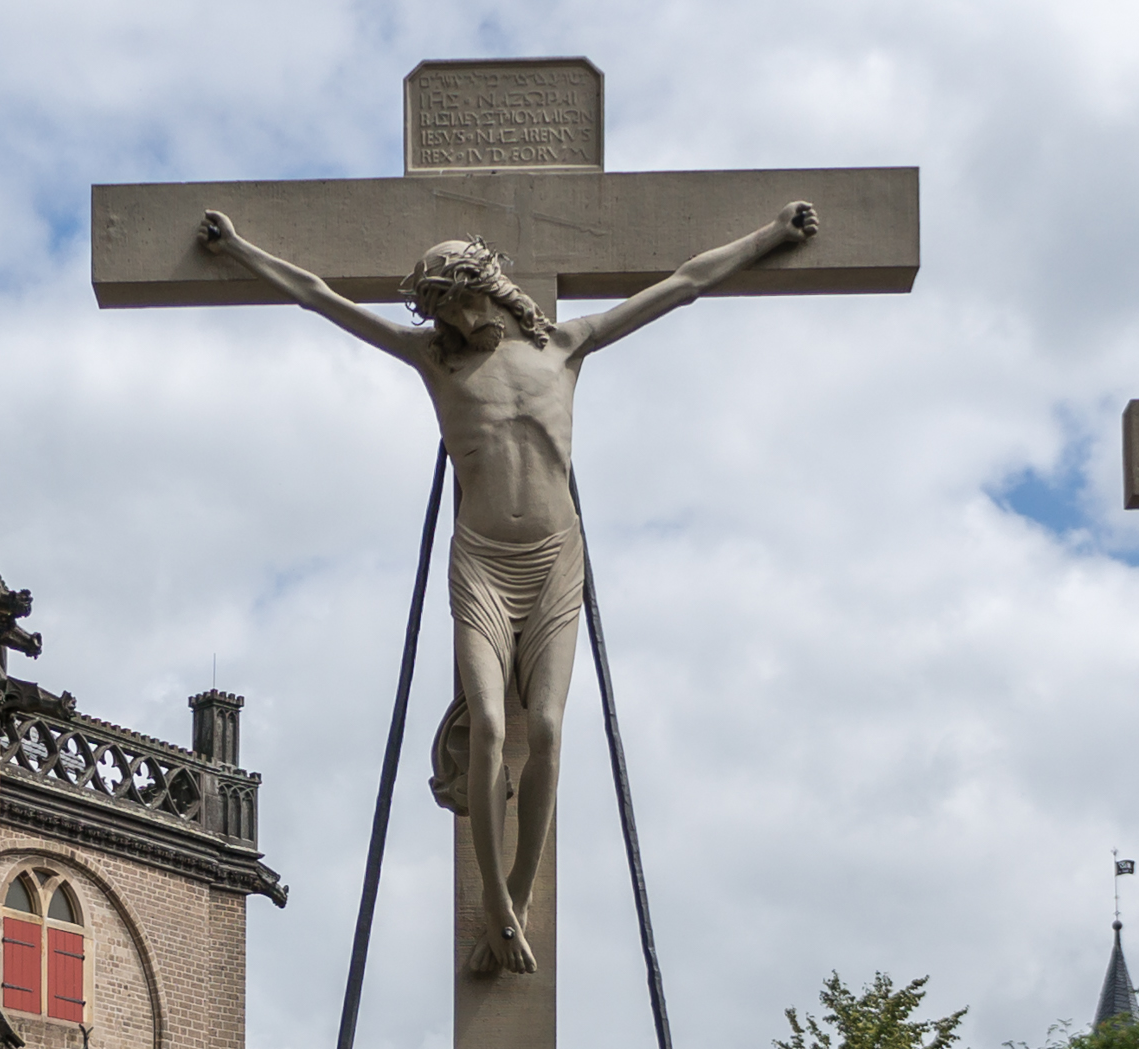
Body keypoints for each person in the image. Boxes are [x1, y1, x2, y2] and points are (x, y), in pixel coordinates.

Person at [191, 201, 819, 977]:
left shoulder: (565, 346)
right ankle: (493, 896)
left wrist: (772, 236)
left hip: (554, 559)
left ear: (481, 286)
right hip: (483, 561)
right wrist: (241, 250)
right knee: (489, 724)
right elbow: (320, 296)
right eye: (436, 310)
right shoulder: (435, 362)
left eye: (451, 301)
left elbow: (683, 284)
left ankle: (513, 903)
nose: (445, 319)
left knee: (547, 731)